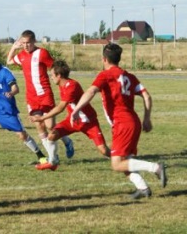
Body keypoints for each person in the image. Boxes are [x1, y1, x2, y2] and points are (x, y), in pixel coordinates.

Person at [70, 43, 167, 199]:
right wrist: (147, 118)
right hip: (132, 121)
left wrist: (76, 110)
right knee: (124, 160)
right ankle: (143, 188)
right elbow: (147, 96)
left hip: (122, 123)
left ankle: (156, 168)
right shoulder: (129, 76)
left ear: (104, 59)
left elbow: (91, 91)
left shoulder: (105, 75)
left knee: (116, 163)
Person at [7, 30, 74, 164]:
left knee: (50, 126)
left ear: (34, 42)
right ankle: (52, 157)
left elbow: (55, 69)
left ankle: (67, 141)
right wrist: (14, 48)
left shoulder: (42, 53)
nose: (26, 46)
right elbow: (8, 61)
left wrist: (63, 84)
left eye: (28, 43)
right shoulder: (21, 56)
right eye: (23, 43)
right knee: (39, 126)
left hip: (45, 94)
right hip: (31, 97)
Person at [30, 60, 111, 171]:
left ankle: (121, 158)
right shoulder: (62, 84)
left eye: (52, 75)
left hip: (88, 122)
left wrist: (42, 118)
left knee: (104, 150)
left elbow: (61, 107)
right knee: (52, 136)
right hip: (72, 121)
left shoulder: (72, 86)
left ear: (59, 75)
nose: (51, 77)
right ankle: (53, 162)